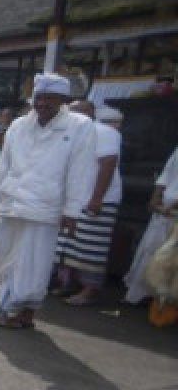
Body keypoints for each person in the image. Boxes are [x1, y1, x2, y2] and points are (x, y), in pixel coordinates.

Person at [0, 74, 97, 329]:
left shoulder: (80, 126)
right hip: (12, 200)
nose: (42, 104)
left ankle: (24, 310)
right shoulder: (19, 125)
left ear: (62, 100)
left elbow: (81, 170)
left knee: (34, 262)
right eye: (39, 98)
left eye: (49, 99)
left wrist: (73, 211)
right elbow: (4, 165)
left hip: (46, 205)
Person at [53, 100, 123, 305]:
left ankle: (90, 290)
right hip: (74, 199)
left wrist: (97, 198)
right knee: (68, 245)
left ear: (90, 113)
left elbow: (108, 163)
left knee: (90, 248)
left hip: (97, 199)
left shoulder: (103, 132)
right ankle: (69, 284)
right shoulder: (70, 132)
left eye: (79, 112)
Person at [123, 144, 178, 305]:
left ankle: (165, 303)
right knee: (150, 251)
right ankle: (139, 296)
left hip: (173, 213)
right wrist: (155, 198)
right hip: (163, 210)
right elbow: (166, 174)